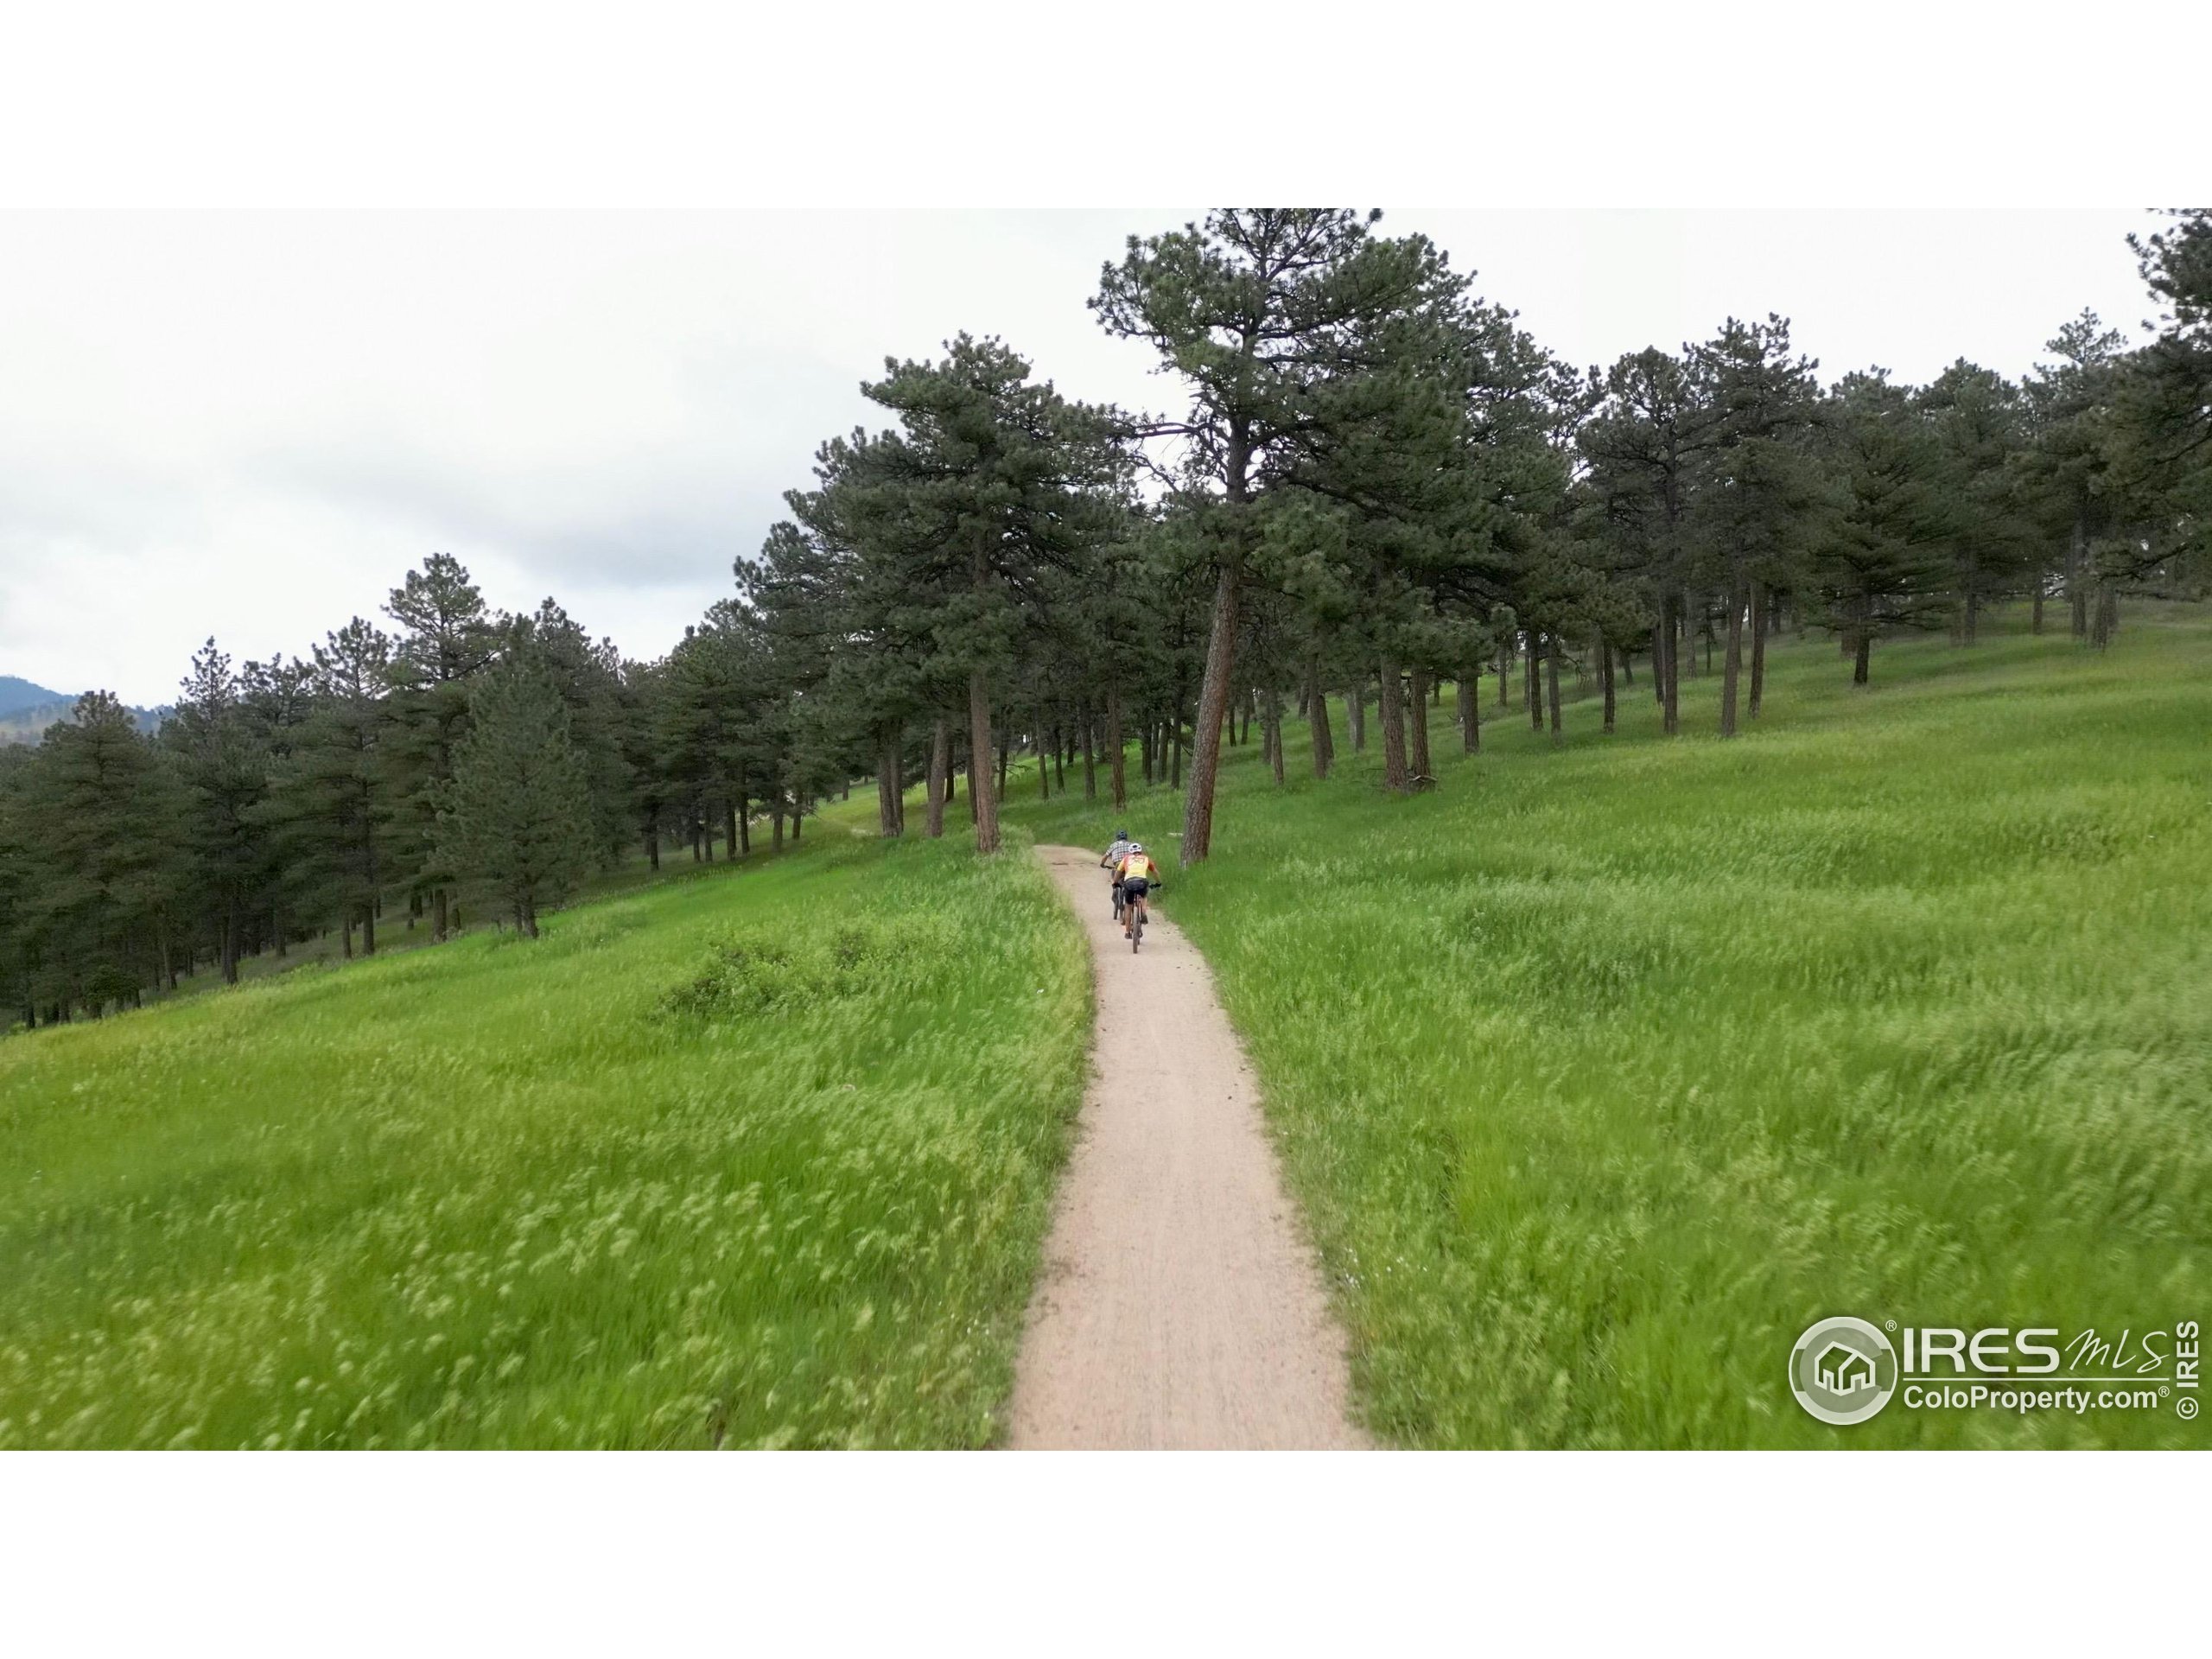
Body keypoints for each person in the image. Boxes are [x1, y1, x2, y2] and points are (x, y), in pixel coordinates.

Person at [1114, 842, 1160, 938]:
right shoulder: (1146, 858)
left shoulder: (1126, 858)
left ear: (1130, 852)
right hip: (1142, 881)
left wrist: (1115, 882)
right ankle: (1143, 912)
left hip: (1129, 882)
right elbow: (1155, 872)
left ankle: (1127, 932)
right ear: (1141, 851)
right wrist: (1158, 882)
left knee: (1128, 907)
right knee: (1144, 896)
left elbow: (1118, 872)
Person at [1100, 829, 1134, 918]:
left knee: (1115, 880)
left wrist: (1102, 864)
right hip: (1129, 866)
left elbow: (1105, 856)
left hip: (1118, 866)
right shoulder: (1130, 845)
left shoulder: (1113, 845)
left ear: (1117, 838)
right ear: (1126, 837)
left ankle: (1116, 892)